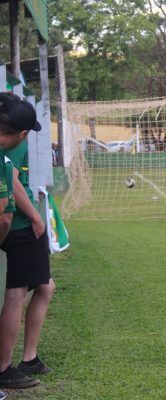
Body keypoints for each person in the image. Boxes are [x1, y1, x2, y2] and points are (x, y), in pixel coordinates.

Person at [0, 92, 45, 390]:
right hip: (19, 224)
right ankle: (6, 366)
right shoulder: (11, 145)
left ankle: (27, 358)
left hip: (16, 222)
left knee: (44, 286)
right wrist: (36, 217)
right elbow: (11, 185)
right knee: (16, 295)